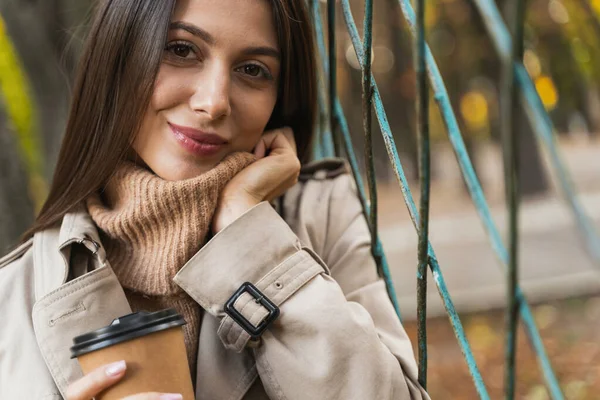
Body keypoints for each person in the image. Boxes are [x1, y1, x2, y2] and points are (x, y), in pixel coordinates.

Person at [0, 1, 429, 399]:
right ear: (120, 54)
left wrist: (250, 235)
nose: (214, 102)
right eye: (182, 49)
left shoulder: (322, 216)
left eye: (253, 69)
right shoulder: (13, 296)